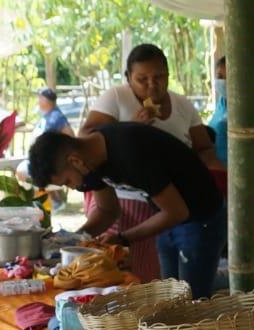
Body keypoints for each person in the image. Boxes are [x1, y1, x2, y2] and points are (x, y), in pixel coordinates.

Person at [27, 125, 224, 296]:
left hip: (201, 218)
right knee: (173, 296)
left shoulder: (131, 153)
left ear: (75, 161)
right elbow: (107, 211)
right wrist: (75, 241)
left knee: (193, 302)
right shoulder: (90, 163)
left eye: (67, 181)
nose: (72, 187)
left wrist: (123, 238)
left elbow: (177, 212)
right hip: (170, 219)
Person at [81, 44, 220, 280]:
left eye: (158, 77)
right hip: (122, 202)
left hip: (168, 206)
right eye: (141, 79)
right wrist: (130, 128)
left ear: (168, 75)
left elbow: (204, 148)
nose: (151, 85)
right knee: (114, 271)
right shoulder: (117, 97)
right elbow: (85, 136)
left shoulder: (183, 105)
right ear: (128, 79)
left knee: (152, 278)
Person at [210, 55, 254, 164]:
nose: (223, 81)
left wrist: (250, 158)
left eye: (229, 77)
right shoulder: (222, 102)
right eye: (219, 76)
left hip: (237, 175)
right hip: (219, 172)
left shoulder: (246, 102)